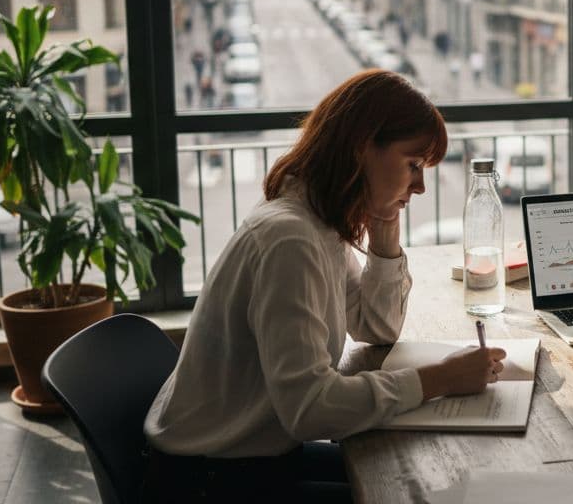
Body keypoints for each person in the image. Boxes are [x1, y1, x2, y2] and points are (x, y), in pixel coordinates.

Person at [144, 70, 507, 502]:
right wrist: (440, 379)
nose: (421, 186)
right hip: (208, 481)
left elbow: (376, 327)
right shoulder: (290, 238)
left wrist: (385, 229)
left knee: (421, 478)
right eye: (413, 165)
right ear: (361, 148)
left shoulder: (316, 222)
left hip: (249, 456)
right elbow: (310, 410)